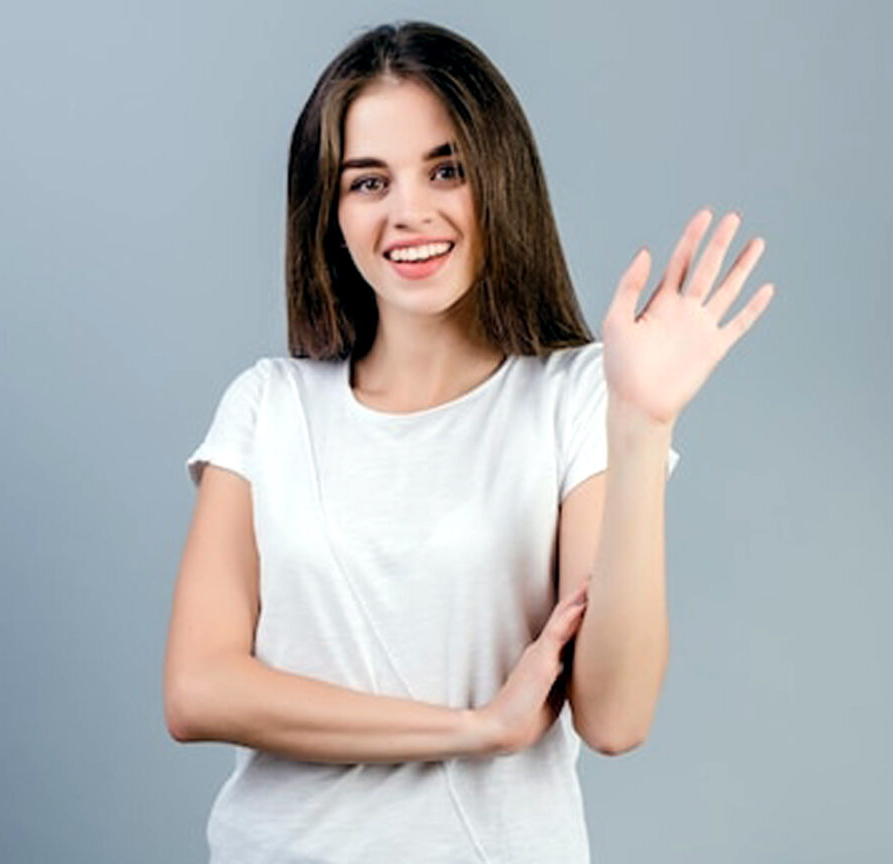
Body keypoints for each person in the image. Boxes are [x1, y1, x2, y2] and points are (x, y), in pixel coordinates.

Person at [163, 20, 774, 864]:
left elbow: (616, 717)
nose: (409, 212)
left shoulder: (574, 399)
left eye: (446, 169)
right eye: (367, 181)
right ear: (329, 214)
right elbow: (198, 690)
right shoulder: (268, 407)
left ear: (500, 178)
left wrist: (641, 425)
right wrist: (474, 728)